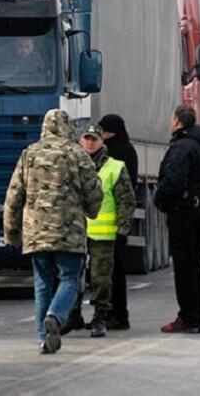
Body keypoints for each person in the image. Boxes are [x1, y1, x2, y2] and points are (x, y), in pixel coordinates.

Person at [3, 109, 103, 355]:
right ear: (68, 128)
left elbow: (14, 196)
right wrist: (91, 211)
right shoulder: (77, 154)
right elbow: (94, 192)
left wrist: (11, 232)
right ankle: (56, 317)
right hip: (69, 231)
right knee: (69, 278)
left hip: (36, 232)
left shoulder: (29, 154)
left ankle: (42, 337)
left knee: (42, 283)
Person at [155, 105, 200, 334]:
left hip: (183, 210)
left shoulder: (181, 147)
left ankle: (188, 317)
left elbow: (174, 181)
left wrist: (160, 199)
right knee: (195, 263)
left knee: (183, 266)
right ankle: (199, 314)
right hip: (199, 208)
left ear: (178, 121)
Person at [73, 124, 136, 338]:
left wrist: (123, 229)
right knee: (72, 277)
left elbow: (126, 201)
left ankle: (100, 317)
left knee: (101, 279)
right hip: (76, 233)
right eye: (87, 139)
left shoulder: (115, 167)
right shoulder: (73, 165)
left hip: (104, 234)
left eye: (94, 139)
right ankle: (73, 315)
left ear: (102, 142)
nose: (90, 143)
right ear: (81, 141)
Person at [98, 114, 139, 330]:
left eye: (103, 131)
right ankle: (117, 313)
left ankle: (117, 314)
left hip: (111, 222)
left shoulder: (113, 155)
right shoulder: (128, 150)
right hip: (117, 221)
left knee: (112, 272)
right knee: (114, 271)